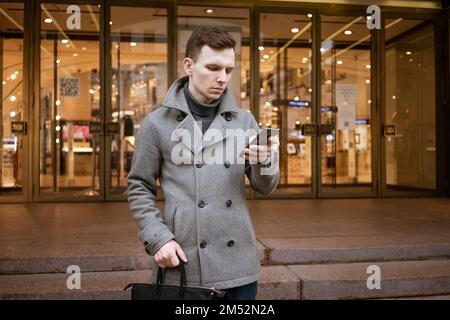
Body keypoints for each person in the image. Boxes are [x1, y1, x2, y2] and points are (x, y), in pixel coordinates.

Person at [127, 27, 279, 300]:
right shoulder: (156, 124)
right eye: (213, 67)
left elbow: (264, 187)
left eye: (228, 70)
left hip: (238, 266)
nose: (222, 79)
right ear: (189, 65)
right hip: (183, 261)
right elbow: (139, 186)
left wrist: (265, 160)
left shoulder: (245, 121)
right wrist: (157, 237)